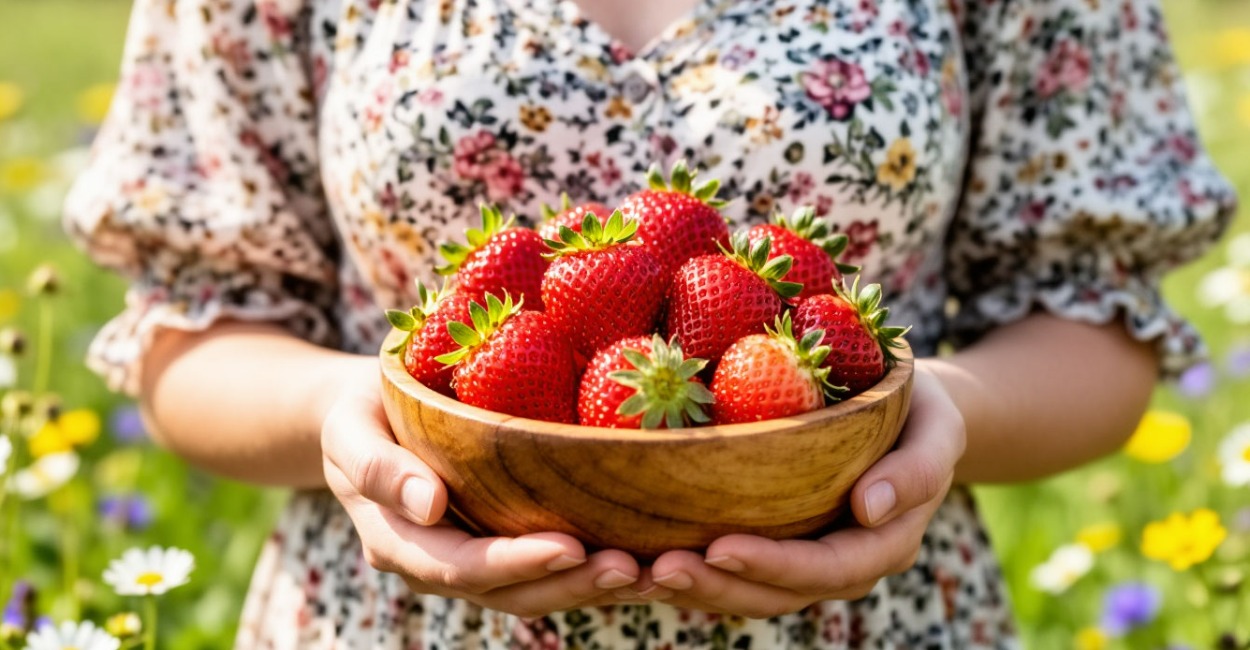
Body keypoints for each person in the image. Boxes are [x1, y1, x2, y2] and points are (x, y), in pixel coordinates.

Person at [64, 0, 1236, 647]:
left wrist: (937, 418)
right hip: (388, 620)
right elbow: (195, 327)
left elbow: (1087, 315)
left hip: (876, 619)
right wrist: (345, 415)